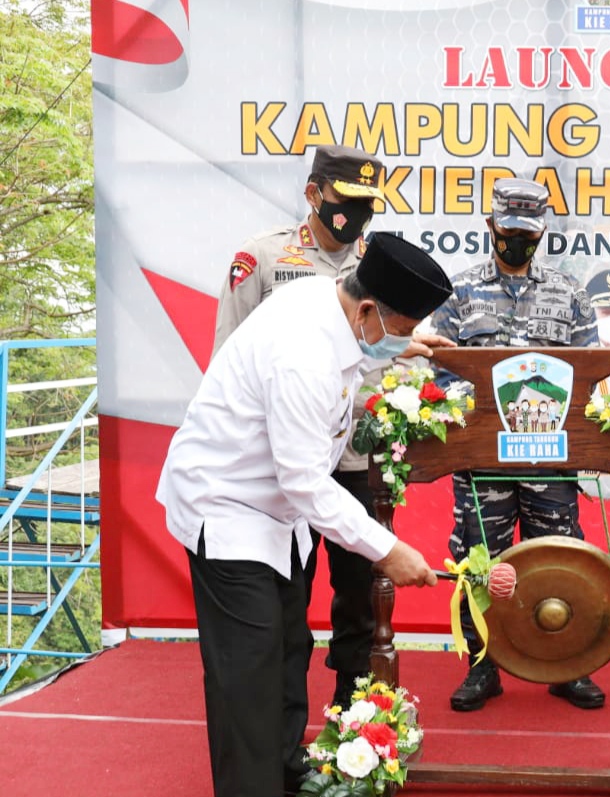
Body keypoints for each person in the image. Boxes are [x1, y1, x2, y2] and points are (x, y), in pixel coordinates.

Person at [157, 232, 455, 797]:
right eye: (397, 330)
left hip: (275, 514)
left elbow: (299, 475)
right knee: (247, 673)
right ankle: (252, 783)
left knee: (290, 646)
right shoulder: (303, 354)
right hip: (228, 510)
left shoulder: (331, 298)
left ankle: (285, 766)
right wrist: (388, 551)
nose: (397, 342)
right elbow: (304, 482)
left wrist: (403, 342)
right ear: (368, 310)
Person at [212, 143, 393, 710]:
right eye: (347, 201)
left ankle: (356, 718)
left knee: (361, 594)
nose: (357, 215)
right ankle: (284, 727)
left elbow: (404, 359)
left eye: (369, 204)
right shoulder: (263, 258)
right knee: (286, 593)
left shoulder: (382, 268)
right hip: (277, 463)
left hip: (357, 459)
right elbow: (228, 359)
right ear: (314, 194)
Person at [430, 177, 603, 712]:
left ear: (542, 232)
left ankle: (567, 664)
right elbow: (441, 373)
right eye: (509, 231)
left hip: (550, 464)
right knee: (480, 560)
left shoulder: (570, 294)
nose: (517, 241)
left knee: (561, 559)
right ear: (491, 227)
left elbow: (588, 375)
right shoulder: (456, 295)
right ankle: (483, 665)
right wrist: (485, 409)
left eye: (528, 233)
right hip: (483, 463)